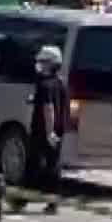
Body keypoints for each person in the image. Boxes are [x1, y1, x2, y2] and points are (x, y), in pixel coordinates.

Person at [27, 45, 68, 196]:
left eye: (43, 61)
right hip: (58, 128)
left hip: (43, 129)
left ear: (51, 63)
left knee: (33, 163)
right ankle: (53, 199)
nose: (40, 64)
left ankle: (22, 197)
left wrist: (49, 132)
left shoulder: (44, 84)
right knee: (53, 163)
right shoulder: (60, 83)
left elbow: (48, 108)